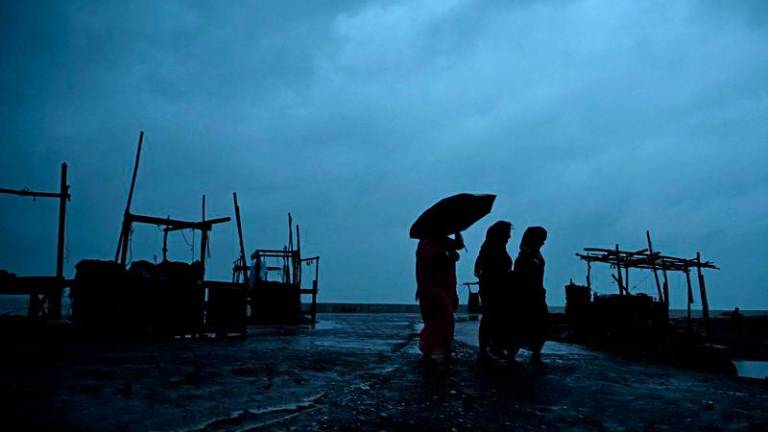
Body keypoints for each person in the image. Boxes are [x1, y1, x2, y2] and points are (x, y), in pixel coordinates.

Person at [415, 232, 464, 363]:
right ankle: (431, 348)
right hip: (433, 287)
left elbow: (458, 245)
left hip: (445, 286)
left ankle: (441, 347)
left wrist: (458, 231)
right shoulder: (427, 243)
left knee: (443, 319)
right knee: (439, 319)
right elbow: (432, 261)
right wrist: (449, 257)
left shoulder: (442, 240)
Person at [474, 221, 513, 362]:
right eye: (507, 234)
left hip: (492, 289)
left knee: (490, 318)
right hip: (494, 290)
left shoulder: (492, 248)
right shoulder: (494, 250)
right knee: (491, 318)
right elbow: (495, 273)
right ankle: (486, 350)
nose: (509, 237)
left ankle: (487, 349)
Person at [510, 226, 550, 366]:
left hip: (537, 293)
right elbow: (520, 276)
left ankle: (534, 354)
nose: (543, 243)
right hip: (527, 295)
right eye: (541, 240)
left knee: (537, 325)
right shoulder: (525, 256)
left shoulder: (533, 254)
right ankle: (513, 355)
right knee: (523, 325)